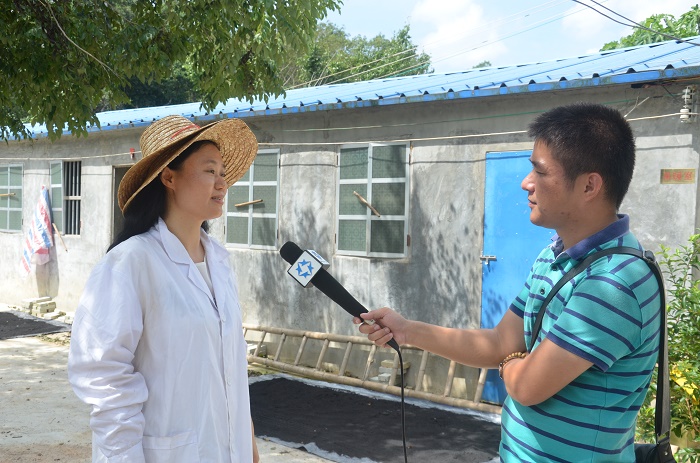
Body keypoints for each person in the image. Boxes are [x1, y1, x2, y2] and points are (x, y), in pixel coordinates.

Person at [356, 103, 662, 462]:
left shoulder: (615, 281)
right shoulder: (553, 256)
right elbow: (500, 341)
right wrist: (407, 331)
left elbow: (528, 386)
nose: (526, 182)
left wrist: (512, 362)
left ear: (589, 185)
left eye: (539, 171)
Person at [68, 115, 260, 463]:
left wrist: (248, 443)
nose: (222, 184)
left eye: (222, 173)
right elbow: (103, 377)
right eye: (209, 171)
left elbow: (231, 364)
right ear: (169, 177)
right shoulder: (130, 263)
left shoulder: (219, 261)